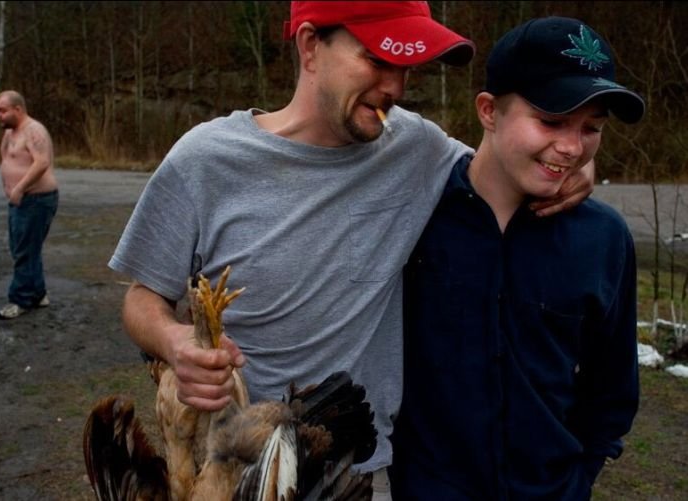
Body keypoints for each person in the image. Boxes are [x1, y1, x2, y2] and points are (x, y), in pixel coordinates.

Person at [108, 3, 593, 497]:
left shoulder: (415, 148)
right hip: (227, 472)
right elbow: (142, 298)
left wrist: (569, 166)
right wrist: (175, 341)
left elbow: (506, 162)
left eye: (405, 67)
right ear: (311, 46)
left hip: (356, 475)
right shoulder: (204, 160)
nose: (396, 87)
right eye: (377, 60)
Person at [390, 16, 643, 500]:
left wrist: (578, 478)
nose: (571, 147)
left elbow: (611, 394)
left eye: (591, 128)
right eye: (551, 120)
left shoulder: (604, 239)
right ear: (488, 110)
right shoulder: (414, 212)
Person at [0, 90, 59, 319]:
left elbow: (42, 163)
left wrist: (19, 188)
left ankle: (19, 300)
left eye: (2, 110)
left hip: (36, 200)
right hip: (21, 201)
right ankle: (38, 294)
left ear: (18, 109)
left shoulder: (33, 130)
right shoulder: (11, 132)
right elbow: (6, 159)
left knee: (23, 251)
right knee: (26, 249)